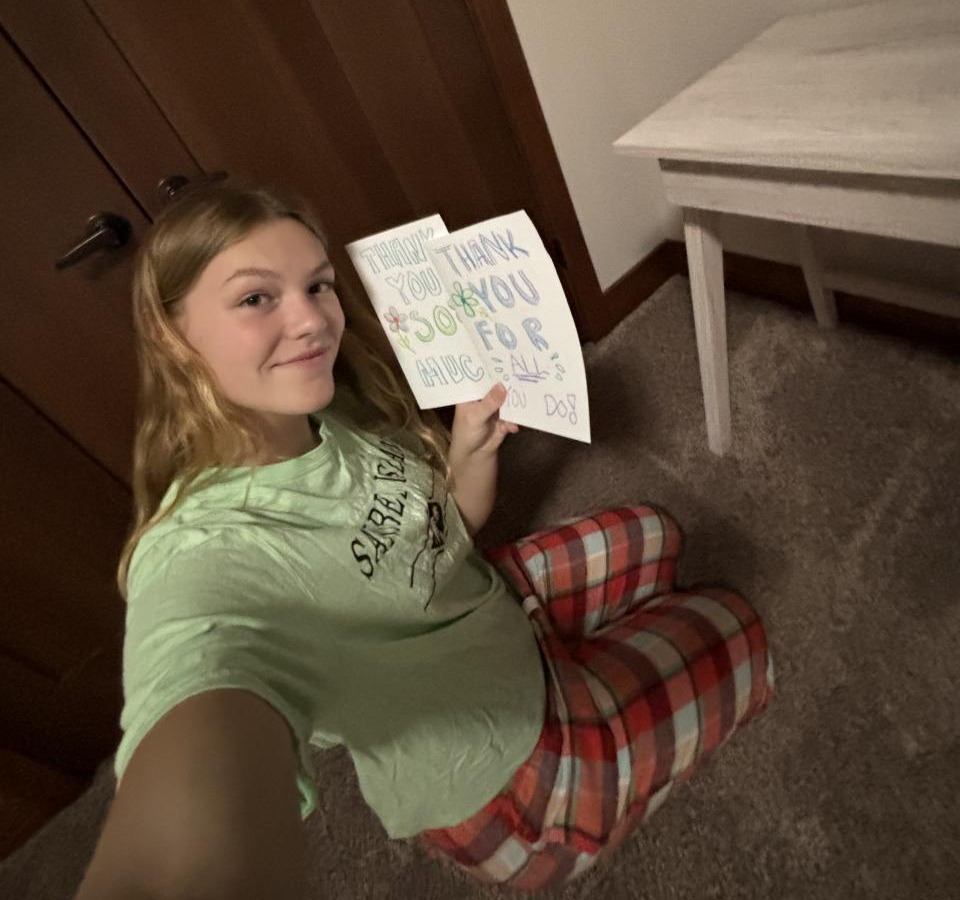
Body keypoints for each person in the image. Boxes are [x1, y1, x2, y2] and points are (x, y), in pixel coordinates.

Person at [75, 180, 773, 898]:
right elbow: (196, 676)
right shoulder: (203, 549)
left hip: (485, 613)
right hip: (507, 774)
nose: (311, 320)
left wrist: (471, 450)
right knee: (736, 623)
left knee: (660, 533)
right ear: (171, 334)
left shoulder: (326, 411)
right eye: (256, 297)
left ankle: (591, 668)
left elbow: (448, 533)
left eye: (317, 285)